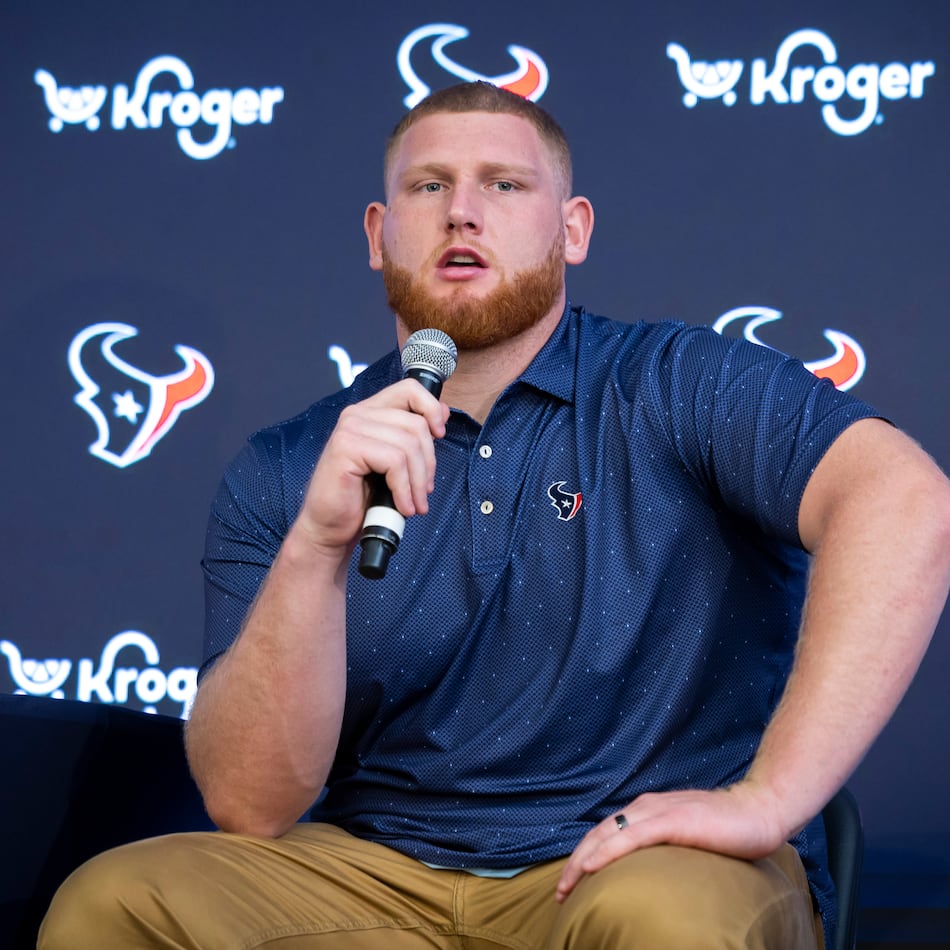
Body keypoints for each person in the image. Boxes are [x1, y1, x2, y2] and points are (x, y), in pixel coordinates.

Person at [40, 81, 950, 949]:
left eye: (504, 186)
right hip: (378, 876)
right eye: (428, 185)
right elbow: (251, 804)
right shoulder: (287, 467)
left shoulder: (676, 382)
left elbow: (907, 499)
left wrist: (772, 799)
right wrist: (317, 546)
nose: (461, 212)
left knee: (665, 922)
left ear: (573, 228)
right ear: (378, 232)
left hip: (633, 854)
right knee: (111, 907)